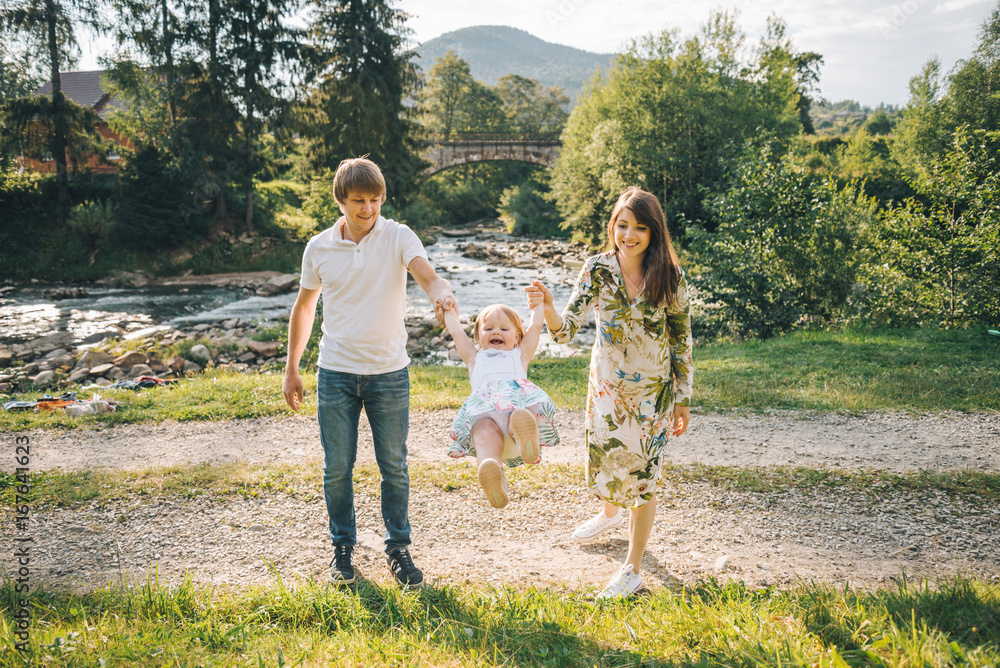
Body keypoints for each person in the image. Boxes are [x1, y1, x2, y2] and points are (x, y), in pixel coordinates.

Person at [282, 157, 455, 589]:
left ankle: (398, 547)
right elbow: (304, 308)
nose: (368, 209)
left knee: (393, 466)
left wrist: (442, 294)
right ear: (341, 200)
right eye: (359, 201)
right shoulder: (318, 247)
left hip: (388, 373)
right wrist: (291, 369)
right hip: (335, 372)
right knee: (337, 467)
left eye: (375, 199)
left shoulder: (398, 235)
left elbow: (427, 276)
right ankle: (342, 547)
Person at [527, 186, 693, 599]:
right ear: (612, 226)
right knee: (607, 463)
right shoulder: (596, 269)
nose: (629, 235)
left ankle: (632, 568)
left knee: (643, 477)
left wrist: (684, 396)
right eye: (622, 225)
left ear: (654, 232)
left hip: (653, 395)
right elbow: (565, 332)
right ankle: (609, 513)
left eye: (639, 227)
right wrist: (548, 307)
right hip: (606, 391)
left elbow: (682, 339)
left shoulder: (670, 276)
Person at [437, 299, 560, 508]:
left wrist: (538, 305)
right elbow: (457, 332)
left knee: (519, 416)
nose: (496, 332)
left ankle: (524, 439)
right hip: (486, 416)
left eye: (504, 329)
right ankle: (491, 470)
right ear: (478, 336)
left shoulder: (520, 354)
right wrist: (448, 311)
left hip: (514, 411)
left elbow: (536, 327)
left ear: (517, 337)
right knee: (484, 435)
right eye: (488, 328)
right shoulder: (474, 358)